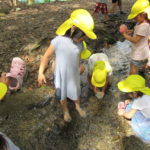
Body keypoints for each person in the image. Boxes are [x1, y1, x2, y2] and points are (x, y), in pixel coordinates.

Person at [38, 9, 97, 122]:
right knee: (62, 94)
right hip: (60, 75)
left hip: (73, 73)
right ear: (74, 29)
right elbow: (46, 56)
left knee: (75, 91)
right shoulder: (58, 41)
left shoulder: (80, 45)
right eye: (83, 35)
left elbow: (77, 58)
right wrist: (40, 72)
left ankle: (78, 106)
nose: (85, 38)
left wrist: (79, 68)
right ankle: (65, 110)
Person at [119, 0, 150, 75]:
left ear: (143, 15)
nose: (134, 19)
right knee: (143, 63)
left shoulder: (144, 26)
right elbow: (139, 32)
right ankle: (142, 72)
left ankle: (131, 79)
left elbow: (135, 40)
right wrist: (131, 31)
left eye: (135, 17)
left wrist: (124, 35)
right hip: (144, 52)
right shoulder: (142, 23)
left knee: (133, 67)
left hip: (138, 54)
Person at [117, 75, 150, 142]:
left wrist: (123, 113)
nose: (128, 94)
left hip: (146, 125)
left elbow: (129, 115)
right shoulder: (146, 92)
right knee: (130, 105)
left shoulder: (138, 101)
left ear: (134, 93)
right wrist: (132, 102)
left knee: (129, 111)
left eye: (129, 93)